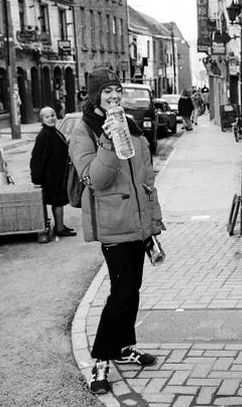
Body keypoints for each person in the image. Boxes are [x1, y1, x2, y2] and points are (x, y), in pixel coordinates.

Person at [68, 67, 165, 395]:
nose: (113, 96)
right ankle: (100, 360)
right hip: (114, 226)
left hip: (137, 225)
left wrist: (152, 223)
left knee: (131, 291)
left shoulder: (133, 127)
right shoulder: (84, 132)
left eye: (116, 91)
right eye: (106, 91)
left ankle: (123, 347)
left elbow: (146, 182)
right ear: (95, 96)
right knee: (120, 294)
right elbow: (95, 180)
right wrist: (108, 142)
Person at [30, 107, 76, 237]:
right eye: (47, 117)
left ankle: (60, 225)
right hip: (51, 175)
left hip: (58, 174)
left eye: (52, 115)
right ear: (42, 120)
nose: (51, 118)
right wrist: (36, 178)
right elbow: (37, 158)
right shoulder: (44, 135)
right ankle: (59, 228)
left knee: (59, 201)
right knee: (58, 201)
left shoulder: (53, 131)